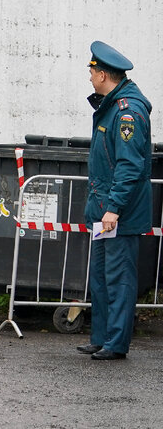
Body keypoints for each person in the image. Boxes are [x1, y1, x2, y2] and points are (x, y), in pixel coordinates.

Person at [78, 40, 152, 360]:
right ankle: (102, 337)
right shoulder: (111, 105)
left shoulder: (127, 114)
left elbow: (129, 166)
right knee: (100, 275)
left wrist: (113, 208)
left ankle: (116, 343)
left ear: (105, 75)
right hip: (104, 210)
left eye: (92, 71)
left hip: (117, 213)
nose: (90, 77)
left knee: (119, 279)